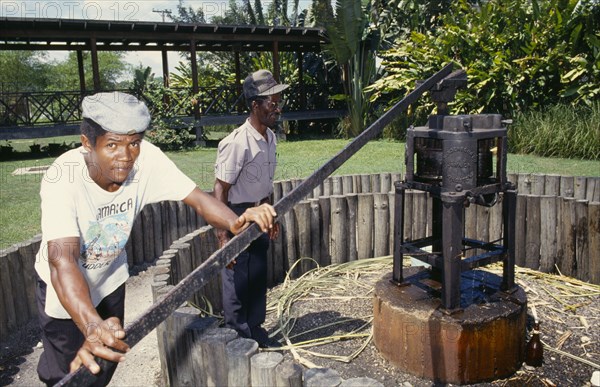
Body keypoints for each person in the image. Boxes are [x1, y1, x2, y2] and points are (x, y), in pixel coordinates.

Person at [34, 91, 277, 386]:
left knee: (103, 367)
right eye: (111, 145)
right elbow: (62, 260)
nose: (125, 156)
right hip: (65, 293)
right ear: (87, 143)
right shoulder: (63, 178)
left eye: (133, 143)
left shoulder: (146, 159)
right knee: (67, 374)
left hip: (109, 281)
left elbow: (198, 199)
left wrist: (236, 221)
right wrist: (90, 324)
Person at [213, 69, 288, 348]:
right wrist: (223, 238)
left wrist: (272, 215)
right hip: (237, 214)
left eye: (278, 101)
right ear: (255, 105)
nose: (276, 108)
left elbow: (266, 184)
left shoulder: (269, 138)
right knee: (236, 276)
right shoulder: (236, 143)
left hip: (261, 213)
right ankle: (237, 337)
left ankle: (255, 328)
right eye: (272, 102)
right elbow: (220, 190)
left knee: (257, 272)